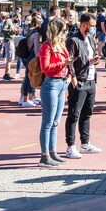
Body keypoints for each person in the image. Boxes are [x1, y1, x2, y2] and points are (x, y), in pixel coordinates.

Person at [65, 12, 103, 159]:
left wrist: (95, 61)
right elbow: (70, 61)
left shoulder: (91, 40)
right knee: (74, 114)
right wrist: (73, 79)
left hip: (91, 80)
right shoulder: (73, 40)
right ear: (84, 25)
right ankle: (70, 146)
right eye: (92, 26)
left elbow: (89, 59)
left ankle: (85, 143)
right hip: (79, 81)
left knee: (87, 113)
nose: (93, 28)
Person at [38, 19, 74, 168]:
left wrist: (69, 72)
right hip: (51, 83)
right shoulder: (46, 46)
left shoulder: (61, 45)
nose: (65, 32)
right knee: (48, 121)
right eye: (63, 30)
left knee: (55, 121)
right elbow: (45, 68)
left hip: (61, 82)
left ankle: (52, 152)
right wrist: (63, 64)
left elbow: (66, 61)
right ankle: (44, 155)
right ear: (57, 30)